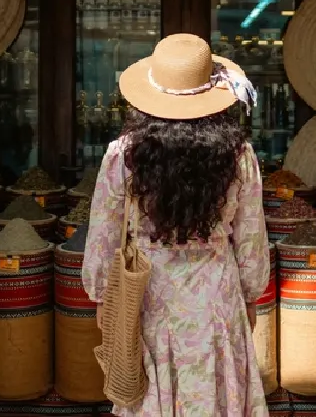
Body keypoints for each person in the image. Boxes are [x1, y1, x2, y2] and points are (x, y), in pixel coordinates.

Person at [83, 33, 271, 417]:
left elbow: (104, 233)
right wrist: (250, 295)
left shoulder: (124, 155)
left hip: (148, 295)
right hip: (217, 297)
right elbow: (251, 238)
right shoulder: (240, 156)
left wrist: (102, 294)